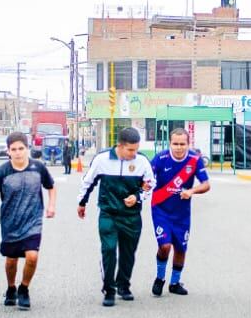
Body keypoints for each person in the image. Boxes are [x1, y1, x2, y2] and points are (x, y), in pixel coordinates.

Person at [0, 132, 55, 310]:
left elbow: (51, 187)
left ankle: (24, 289)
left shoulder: (38, 167)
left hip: (33, 220)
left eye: (21, 148)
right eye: (14, 149)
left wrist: (51, 206)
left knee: (32, 256)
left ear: (27, 149)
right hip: (10, 222)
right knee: (11, 260)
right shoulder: (3, 171)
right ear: (8, 151)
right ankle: (11, 287)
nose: (18, 152)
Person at [77, 126, 155, 307]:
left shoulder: (142, 161)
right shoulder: (102, 159)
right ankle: (109, 289)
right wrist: (82, 202)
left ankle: (123, 285)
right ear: (119, 146)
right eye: (130, 150)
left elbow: (149, 183)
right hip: (108, 213)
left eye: (136, 149)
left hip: (132, 215)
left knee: (128, 253)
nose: (134, 153)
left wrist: (137, 197)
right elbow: (88, 181)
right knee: (109, 249)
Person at [149, 128, 210, 297]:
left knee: (181, 249)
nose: (178, 147)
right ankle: (160, 278)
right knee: (165, 246)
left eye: (182, 144)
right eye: (175, 144)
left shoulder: (195, 160)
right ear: (170, 143)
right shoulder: (160, 158)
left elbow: (206, 184)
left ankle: (174, 283)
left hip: (182, 213)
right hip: (160, 208)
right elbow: (146, 177)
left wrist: (191, 191)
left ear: (188, 144)